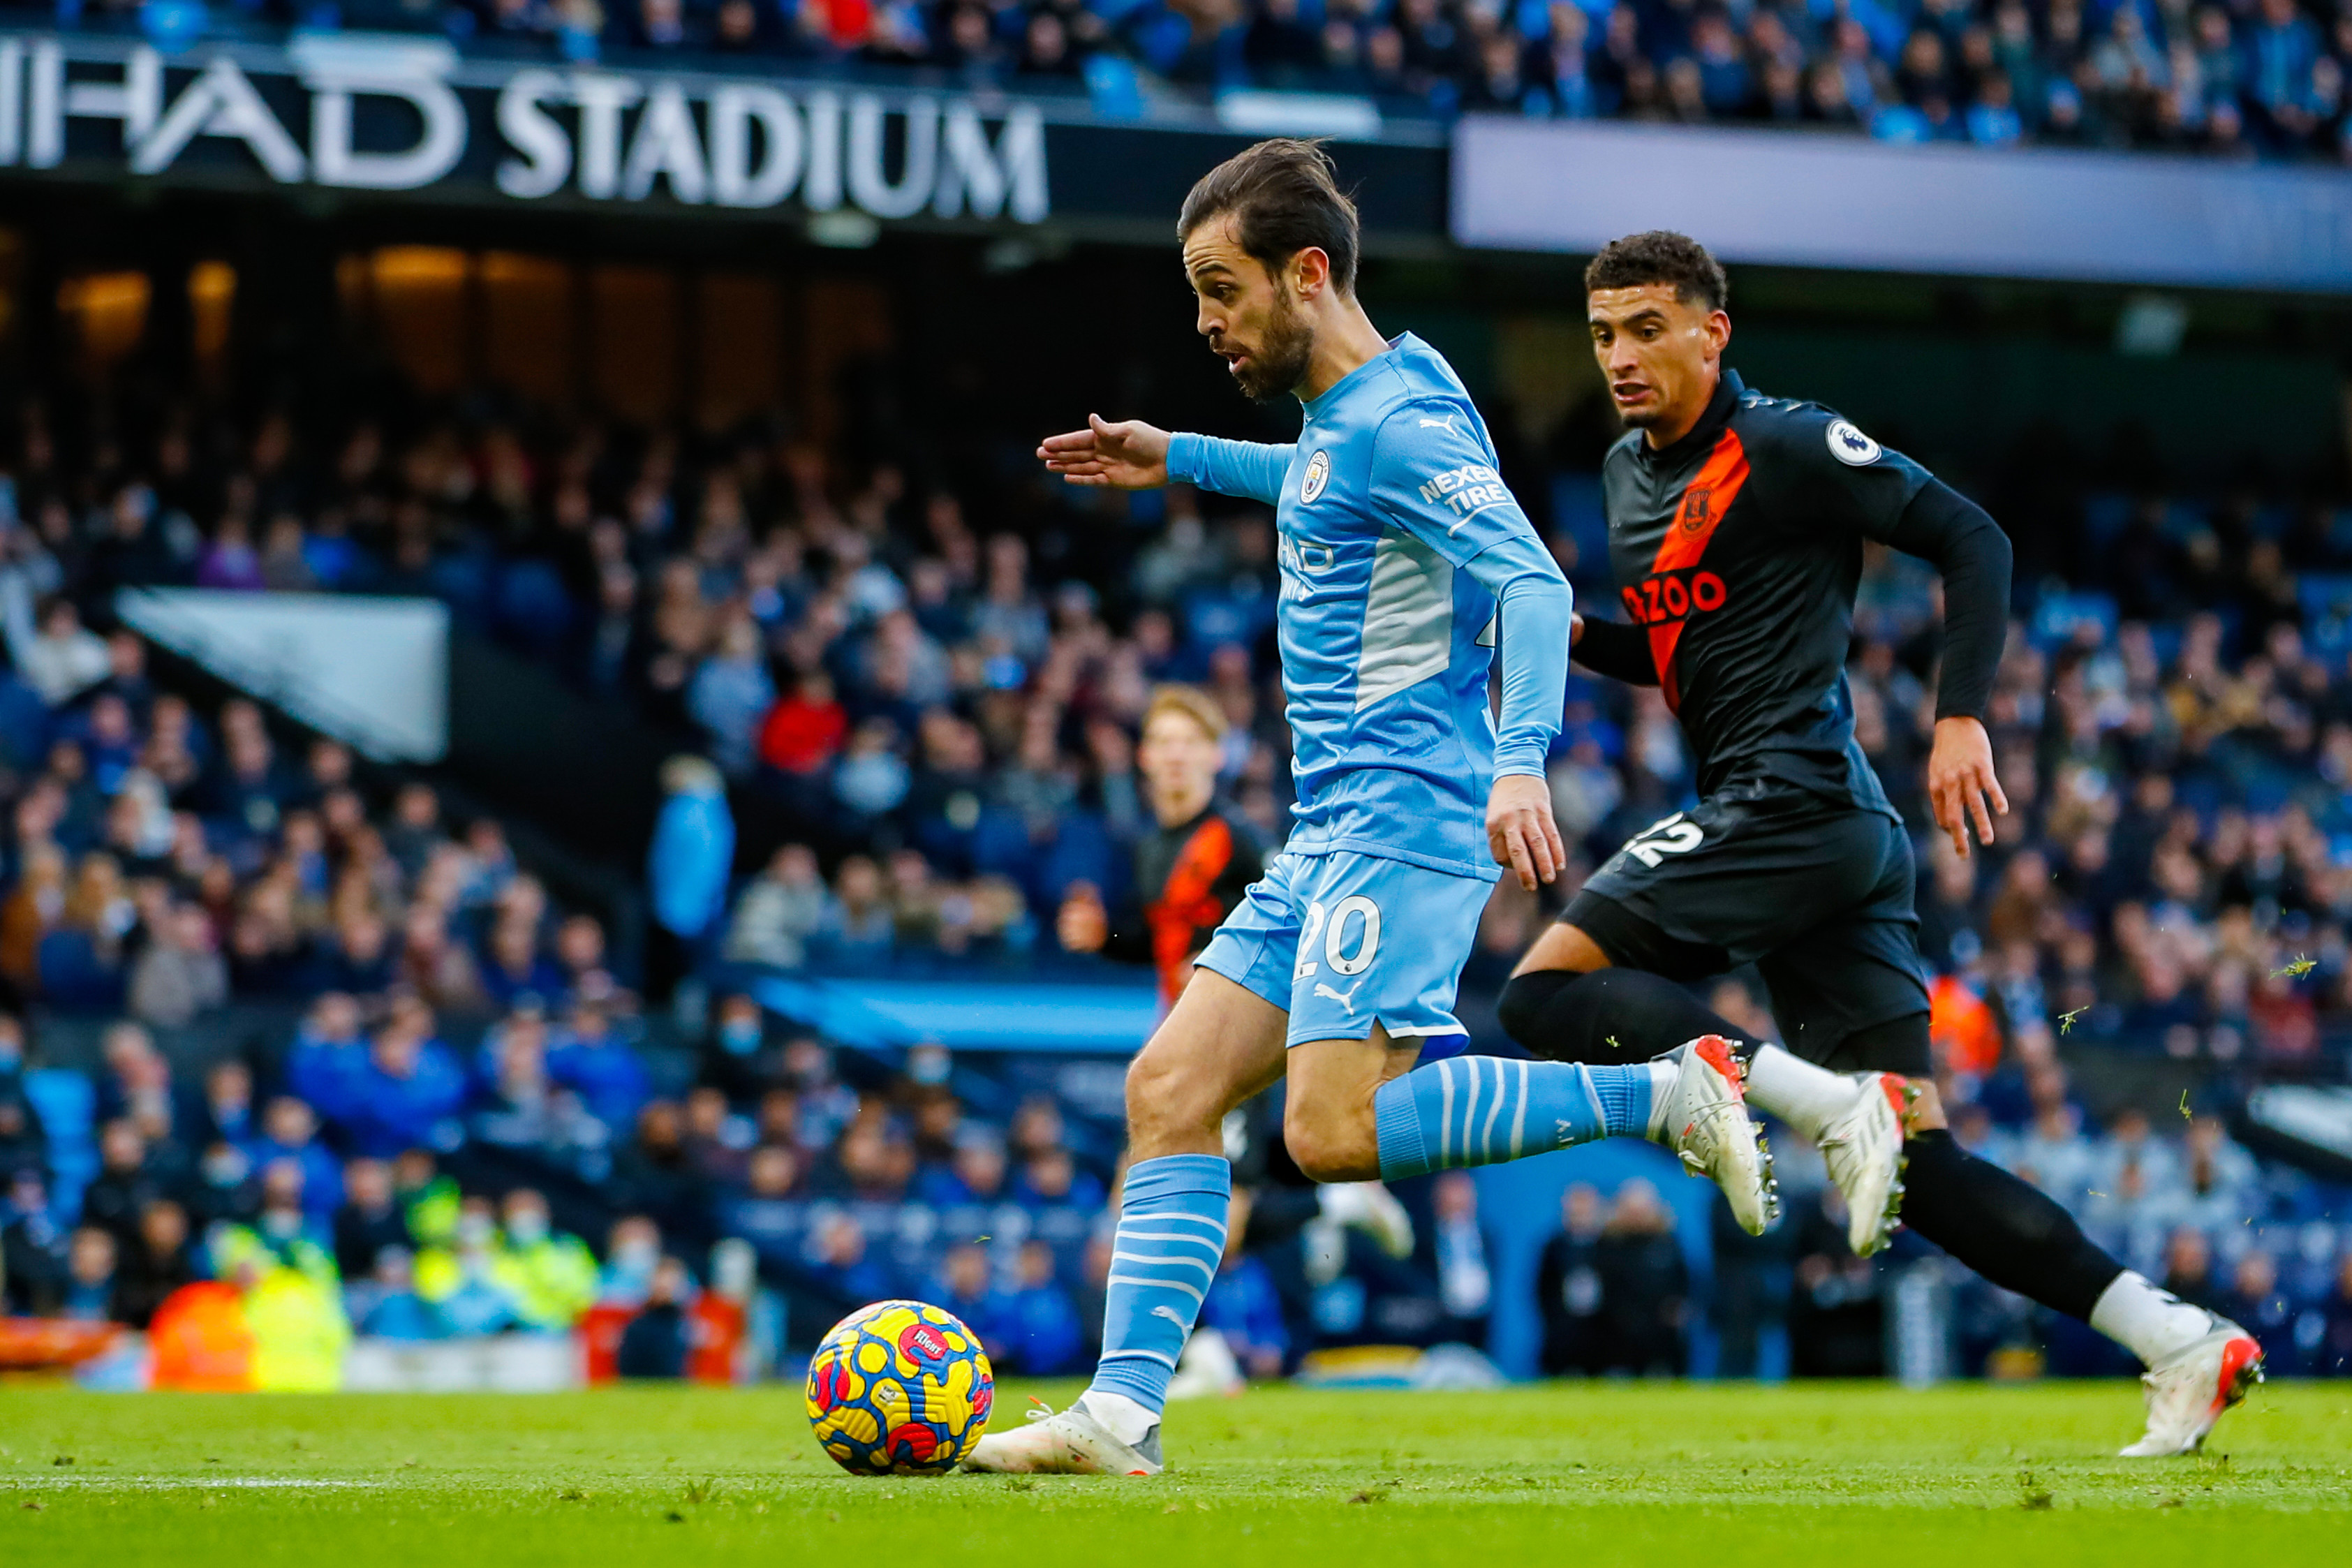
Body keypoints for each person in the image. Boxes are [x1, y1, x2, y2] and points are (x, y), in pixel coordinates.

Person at [963, 141, 1769, 1479]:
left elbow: (1523, 580)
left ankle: (1667, 1096)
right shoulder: (1354, 417)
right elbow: (1317, 487)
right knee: (1167, 1088)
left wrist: (1521, 759)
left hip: (1404, 819)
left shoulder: (1402, 419)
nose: (1207, 321)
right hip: (1329, 828)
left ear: (1308, 271)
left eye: (1220, 290)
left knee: (1327, 1130)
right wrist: (1176, 454)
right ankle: (1118, 1415)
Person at [1490, 230, 2258, 1457]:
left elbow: (1974, 538)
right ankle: (2174, 1338)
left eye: (1646, 328)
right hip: (1810, 831)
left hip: (1789, 802)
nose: (1621, 355)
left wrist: (1959, 717)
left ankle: (1802, 1100)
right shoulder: (1627, 476)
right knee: (1924, 1162)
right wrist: (1562, 636)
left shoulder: (1786, 443)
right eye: (1601, 333)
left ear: (1710, 330)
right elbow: (1674, 644)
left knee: (1537, 995)